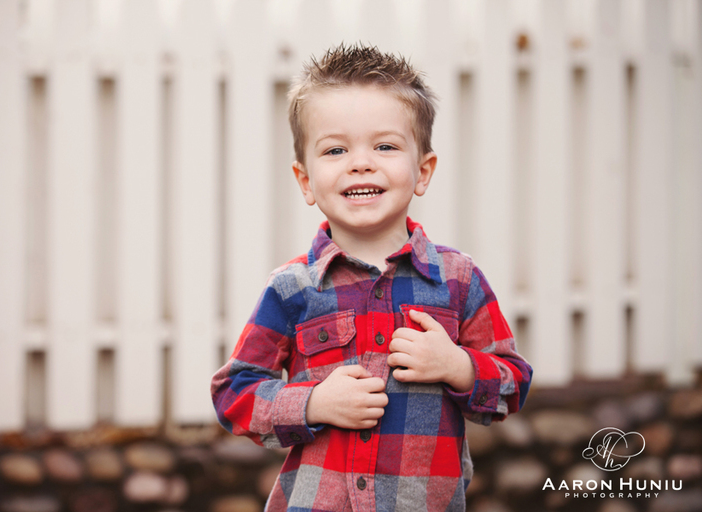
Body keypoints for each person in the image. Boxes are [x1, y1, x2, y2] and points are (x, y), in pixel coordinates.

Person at [211, 43, 532, 512]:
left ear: (422, 172)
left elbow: (513, 382)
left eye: (385, 146)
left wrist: (458, 366)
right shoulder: (292, 288)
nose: (360, 162)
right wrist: (313, 404)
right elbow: (234, 393)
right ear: (306, 180)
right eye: (336, 149)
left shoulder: (458, 280)